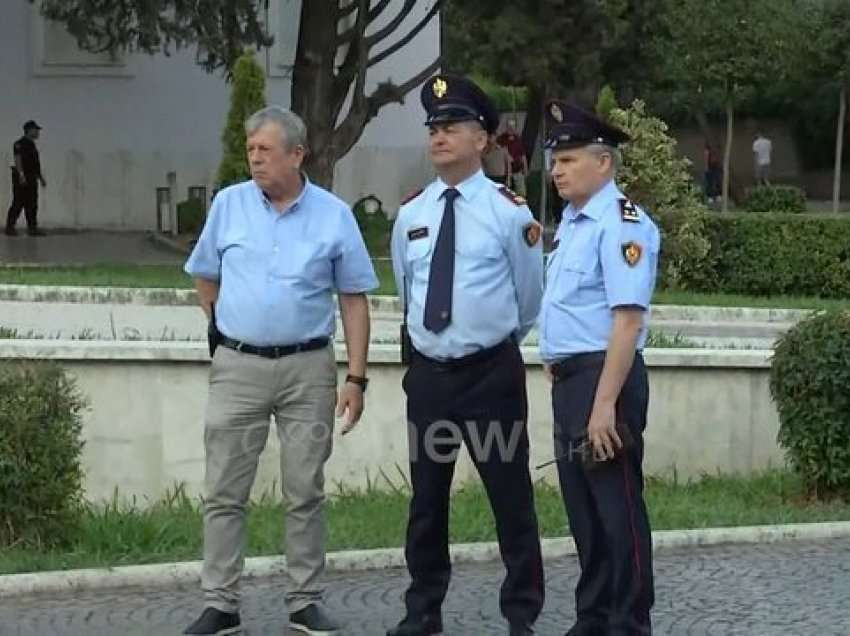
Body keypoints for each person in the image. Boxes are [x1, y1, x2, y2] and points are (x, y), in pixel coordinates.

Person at [182, 105, 378, 636]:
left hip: (307, 370)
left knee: (304, 489)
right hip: (237, 368)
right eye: (250, 151)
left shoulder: (334, 215)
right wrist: (223, 328)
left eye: (264, 151)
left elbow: (355, 301)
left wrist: (356, 379)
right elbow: (204, 274)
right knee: (224, 488)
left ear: (297, 154)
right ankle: (220, 602)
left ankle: (304, 601)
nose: (254, 160)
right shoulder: (228, 206)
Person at [388, 74, 545, 636]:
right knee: (426, 502)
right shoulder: (411, 214)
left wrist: (490, 339)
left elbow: (529, 298)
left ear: (484, 139)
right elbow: (407, 292)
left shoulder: (511, 214)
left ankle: (521, 615)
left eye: (452, 125)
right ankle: (422, 612)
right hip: (430, 379)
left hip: (489, 377)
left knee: (510, 498)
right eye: (433, 126)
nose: (439, 135)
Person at [538, 100, 660, 636]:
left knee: (617, 508)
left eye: (568, 159)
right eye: (555, 160)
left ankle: (628, 622)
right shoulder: (573, 222)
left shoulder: (622, 224)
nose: (557, 170)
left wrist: (604, 403)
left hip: (605, 380)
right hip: (573, 380)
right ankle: (593, 618)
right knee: (584, 511)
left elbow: (627, 322)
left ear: (603, 162)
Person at [6, 120, 47, 236]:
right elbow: (17, 159)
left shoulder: (32, 145)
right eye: (36, 130)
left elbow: (35, 164)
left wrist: (40, 177)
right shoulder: (19, 143)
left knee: (32, 204)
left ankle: (32, 228)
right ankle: (10, 228)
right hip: (22, 177)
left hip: (32, 177)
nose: (38, 132)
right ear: (29, 130)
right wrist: (21, 175)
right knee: (18, 202)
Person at [498, 119, 529, 196]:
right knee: (507, 196)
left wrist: (525, 169)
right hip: (505, 173)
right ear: (506, 127)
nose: (511, 128)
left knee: (521, 195)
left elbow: (523, 155)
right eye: (509, 126)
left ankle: (521, 207)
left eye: (512, 126)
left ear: (515, 128)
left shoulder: (518, 139)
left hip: (517, 171)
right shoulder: (501, 139)